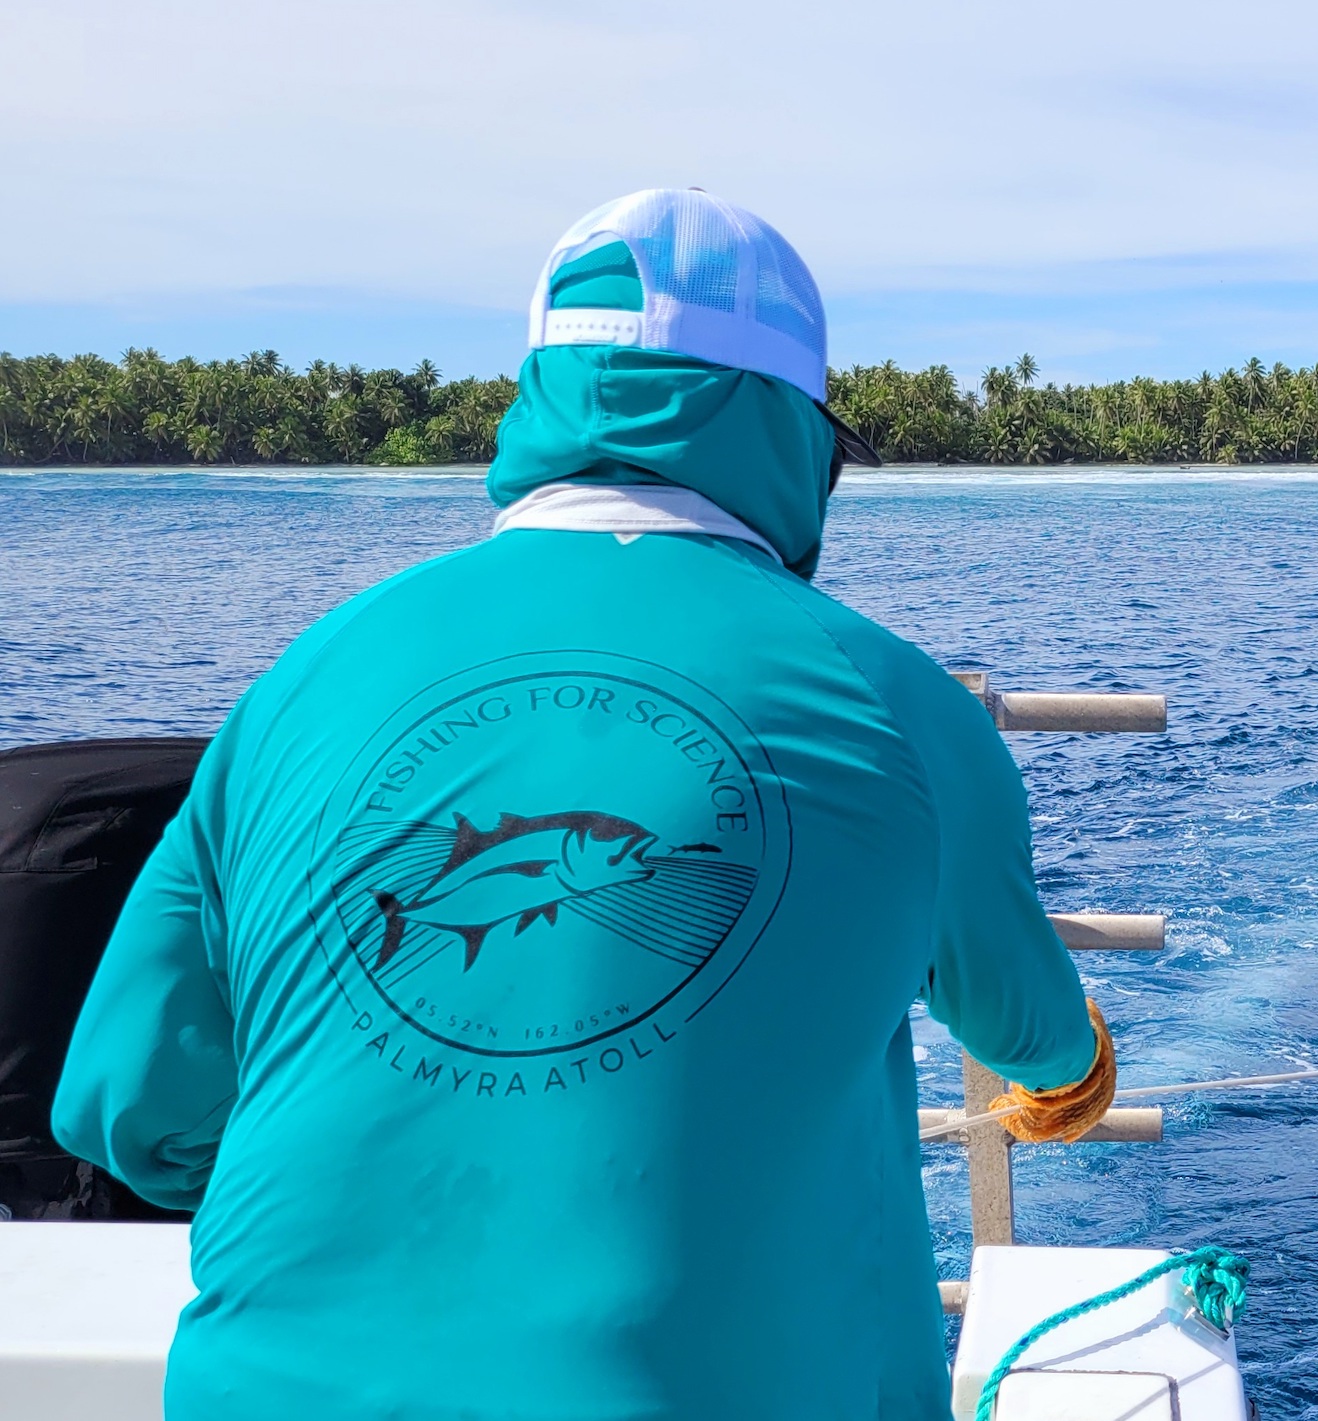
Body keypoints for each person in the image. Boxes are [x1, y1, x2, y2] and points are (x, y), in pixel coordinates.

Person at [51, 188, 1116, 1420]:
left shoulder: (306, 673)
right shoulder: (902, 704)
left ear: (538, 400)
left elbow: (125, 1103)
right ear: (789, 433)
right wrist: (1071, 1073)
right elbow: (1028, 1030)